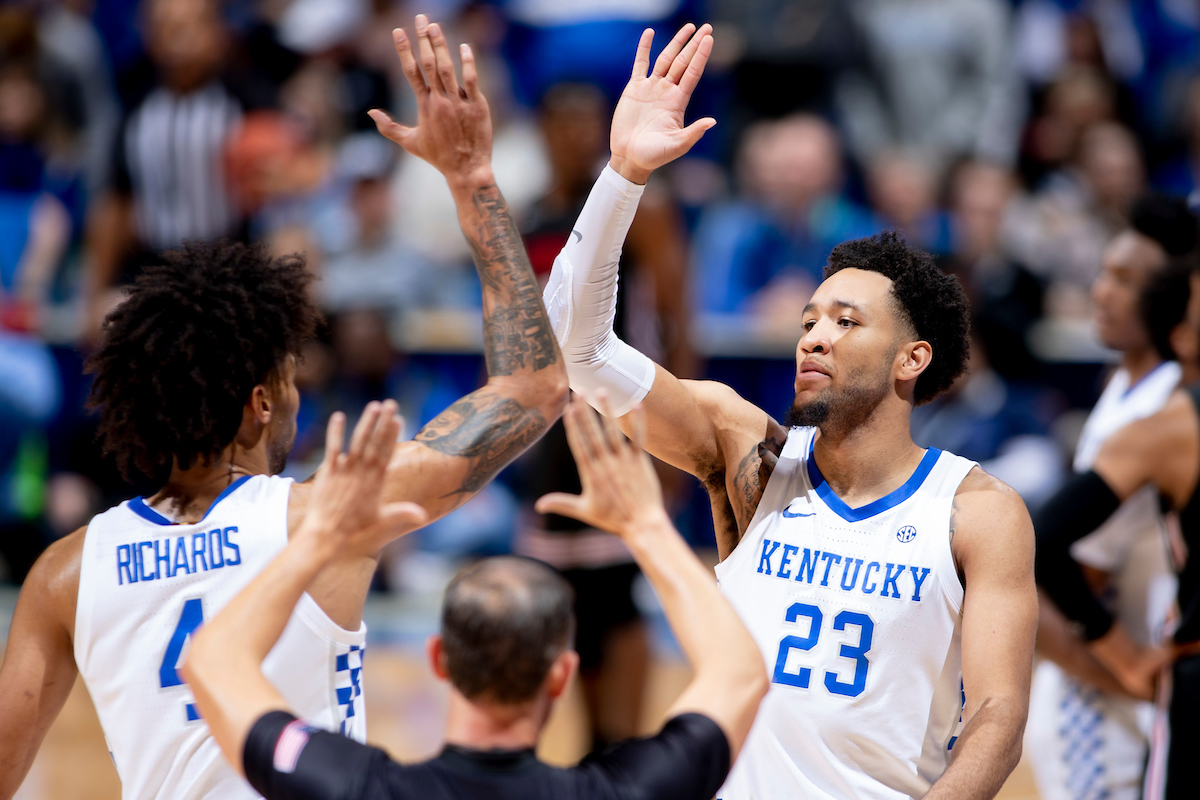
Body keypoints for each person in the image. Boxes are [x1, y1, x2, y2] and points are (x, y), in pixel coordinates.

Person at [0, 15, 568, 799]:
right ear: (260, 404)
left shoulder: (62, 575)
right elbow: (533, 387)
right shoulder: (321, 521)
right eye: (290, 376)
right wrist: (472, 178)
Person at [543, 22, 1038, 799]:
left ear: (914, 359)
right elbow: (581, 352)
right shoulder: (751, 458)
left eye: (847, 322)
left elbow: (999, 716)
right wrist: (624, 175)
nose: (815, 337)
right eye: (809, 319)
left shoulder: (977, 511)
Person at [182, 395, 767, 800]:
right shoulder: (626, 791)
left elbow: (211, 662)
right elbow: (739, 673)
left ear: (438, 660)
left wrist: (318, 541)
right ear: (561, 675)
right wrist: (646, 526)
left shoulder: (355, 788)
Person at [1024, 195, 1198, 800]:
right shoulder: (1127, 383)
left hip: (1107, 693)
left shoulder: (1161, 411)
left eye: (1126, 279)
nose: (1102, 291)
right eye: (1104, 271)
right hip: (1095, 683)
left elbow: (1077, 575)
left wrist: (1123, 662)